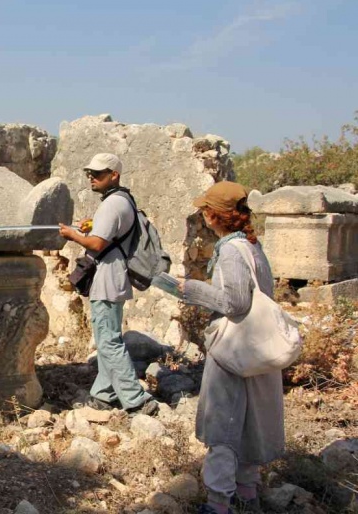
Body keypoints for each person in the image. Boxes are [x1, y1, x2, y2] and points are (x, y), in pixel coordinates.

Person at [178, 181, 284, 514]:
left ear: (214, 215)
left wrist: (189, 290)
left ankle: (218, 503)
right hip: (255, 347)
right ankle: (247, 494)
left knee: (222, 424)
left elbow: (235, 303)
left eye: (205, 209)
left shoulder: (230, 250)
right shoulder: (252, 245)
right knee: (249, 421)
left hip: (234, 347)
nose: (202, 215)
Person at [59, 153, 158, 416]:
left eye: (98, 173)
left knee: (108, 341)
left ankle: (137, 400)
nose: (92, 177)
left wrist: (73, 235)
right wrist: (92, 226)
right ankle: (104, 394)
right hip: (113, 276)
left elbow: (97, 244)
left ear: (114, 175)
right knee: (106, 338)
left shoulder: (112, 204)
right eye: (89, 173)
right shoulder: (123, 199)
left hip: (107, 278)